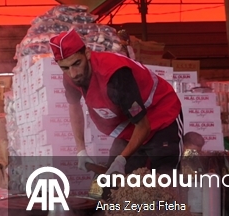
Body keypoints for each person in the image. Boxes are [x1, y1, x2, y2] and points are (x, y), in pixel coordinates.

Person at [51, 29, 183, 175]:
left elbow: (144, 126)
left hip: (160, 114)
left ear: (87, 53)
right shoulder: (70, 77)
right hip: (132, 124)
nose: (73, 73)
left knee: (165, 178)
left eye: (77, 63)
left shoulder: (116, 75)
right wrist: (81, 150)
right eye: (65, 68)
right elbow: (74, 106)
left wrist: (121, 159)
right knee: (112, 183)